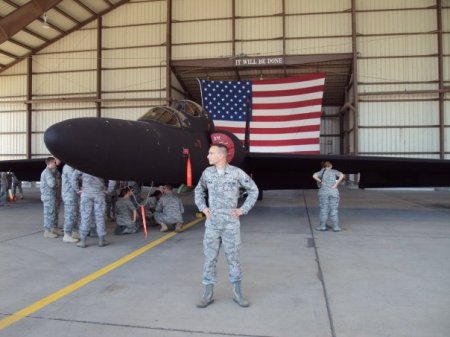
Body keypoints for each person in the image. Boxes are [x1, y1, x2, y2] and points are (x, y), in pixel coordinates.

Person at [194, 143, 259, 308]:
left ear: (221, 155)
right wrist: (203, 208)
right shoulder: (207, 173)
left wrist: (242, 209)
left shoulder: (236, 173)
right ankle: (207, 294)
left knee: (234, 260)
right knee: (209, 259)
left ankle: (238, 294)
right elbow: (198, 191)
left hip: (230, 225)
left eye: (211, 153)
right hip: (213, 225)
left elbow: (254, 190)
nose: (208, 156)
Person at [72, 171, 109, 248]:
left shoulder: (83, 164)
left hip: (86, 194)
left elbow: (73, 177)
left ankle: (83, 241)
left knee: (85, 217)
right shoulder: (102, 164)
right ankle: (101, 240)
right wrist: (109, 191)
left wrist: (77, 190)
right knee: (100, 217)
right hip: (99, 193)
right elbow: (113, 178)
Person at [312, 161, 345, 232]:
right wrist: (336, 184)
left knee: (324, 209)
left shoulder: (321, 172)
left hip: (324, 192)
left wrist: (321, 181)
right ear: (331, 165)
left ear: (323, 166)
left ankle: (322, 226)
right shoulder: (334, 171)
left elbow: (314, 176)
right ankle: (336, 227)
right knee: (334, 209)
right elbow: (342, 175)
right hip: (334, 192)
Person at [61, 164, 80, 243]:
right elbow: (73, 180)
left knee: (74, 214)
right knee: (70, 215)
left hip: (72, 195)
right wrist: (78, 190)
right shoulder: (68, 167)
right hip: (69, 195)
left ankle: (73, 232)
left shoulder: (71, 167)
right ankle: (67, 235)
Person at [40, 157, 58, 238]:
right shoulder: (47, 173)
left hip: (48, 196)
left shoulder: (48, 172)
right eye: (54, 162)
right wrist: (56, 180)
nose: (55, 164)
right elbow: (52, 184)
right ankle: (47, 231)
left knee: (49, 213)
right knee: (49, 214)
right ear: (50, 163)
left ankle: (49, 230)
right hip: (48, 196)